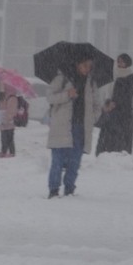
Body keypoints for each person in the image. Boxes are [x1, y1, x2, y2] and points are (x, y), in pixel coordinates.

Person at [45, 54, 101, 198]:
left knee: (75, 162)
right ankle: (53, 190)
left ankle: (70, 189)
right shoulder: (62, 79)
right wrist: (67, 94)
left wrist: (92, 119)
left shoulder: (91, 83)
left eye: (90, 66)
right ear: (78, 64)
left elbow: (96, 105)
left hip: (80, 128)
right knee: (57, 160)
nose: (88, 68)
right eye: (85, 65)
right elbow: (50, 97)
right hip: (61, 126)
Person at [96, 53, 133, 155]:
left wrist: (116, 103)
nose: (119, 63)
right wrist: (107, 103)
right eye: (118, 61)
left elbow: (128, 95)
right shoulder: (113, 75)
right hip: (111, 112)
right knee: (108, 137)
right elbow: (109, 93)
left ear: (127, 63)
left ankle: (120, 155)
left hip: (123, 113)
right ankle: (105, 154)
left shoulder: (131, 77)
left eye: (122, 61)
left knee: (121, 138)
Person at [0, 89, 18, 158]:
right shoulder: (4, 99)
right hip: (3, 122)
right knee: (3, 138)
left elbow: (11, 111)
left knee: (9, 138)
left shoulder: (12, 98)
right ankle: (3, 151)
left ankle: (11, 152)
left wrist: (7, 119)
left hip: (9, 122)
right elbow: (1, 110)